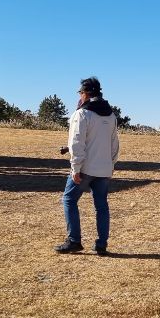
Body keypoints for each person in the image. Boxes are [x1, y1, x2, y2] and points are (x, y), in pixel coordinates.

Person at [56, 77, 120, 255]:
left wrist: (75, 168)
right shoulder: (111, 115)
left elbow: (77, 142)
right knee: (101, 206)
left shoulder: (82, 114)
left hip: (85, 168)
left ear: (85, 93)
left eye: (80, 93)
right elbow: (114, 144)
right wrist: (111, 165)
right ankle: (102, 244)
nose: (80, 96)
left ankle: (74, 240)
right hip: (104, 168)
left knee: (69, 200)